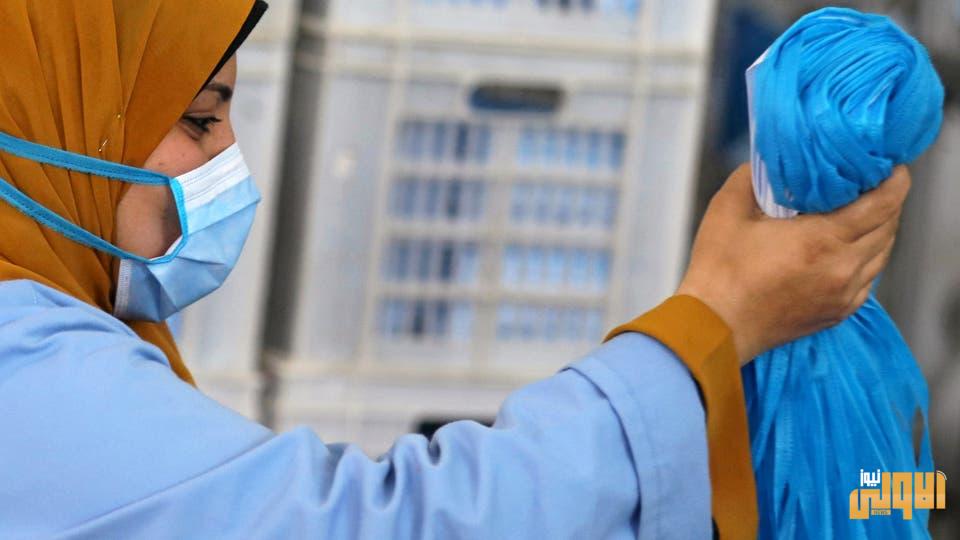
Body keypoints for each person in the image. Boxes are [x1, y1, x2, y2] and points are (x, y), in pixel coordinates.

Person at [0, 1, 909, 539]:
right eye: (199, 119)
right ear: (57, 113)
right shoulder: (28, 376)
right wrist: (710, 325)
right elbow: (385, 525)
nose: (226, 161)